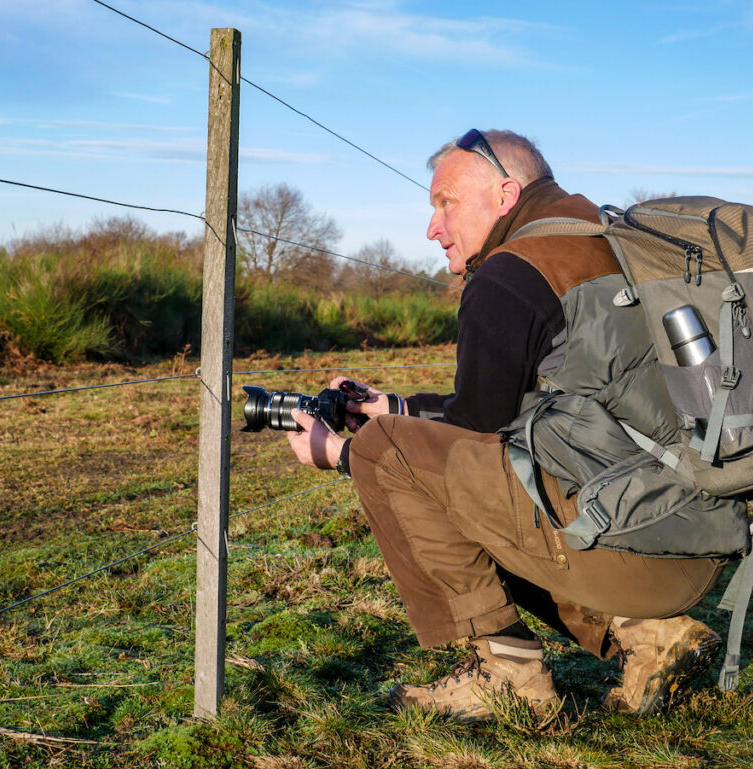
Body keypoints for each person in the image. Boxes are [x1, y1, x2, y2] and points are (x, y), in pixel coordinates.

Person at [285, 129, 724, 721]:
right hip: (695, 538)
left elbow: (475, 439)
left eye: (446, 203)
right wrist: (396, 407)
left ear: (505, 194)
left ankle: (509, 675)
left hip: (632, 549)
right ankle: (650, 634)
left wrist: (344, 454)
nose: (432, 228)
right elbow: (505, 412)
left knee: (390, 455)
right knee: (437, 451)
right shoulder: (607, 240)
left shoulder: (510, 272)